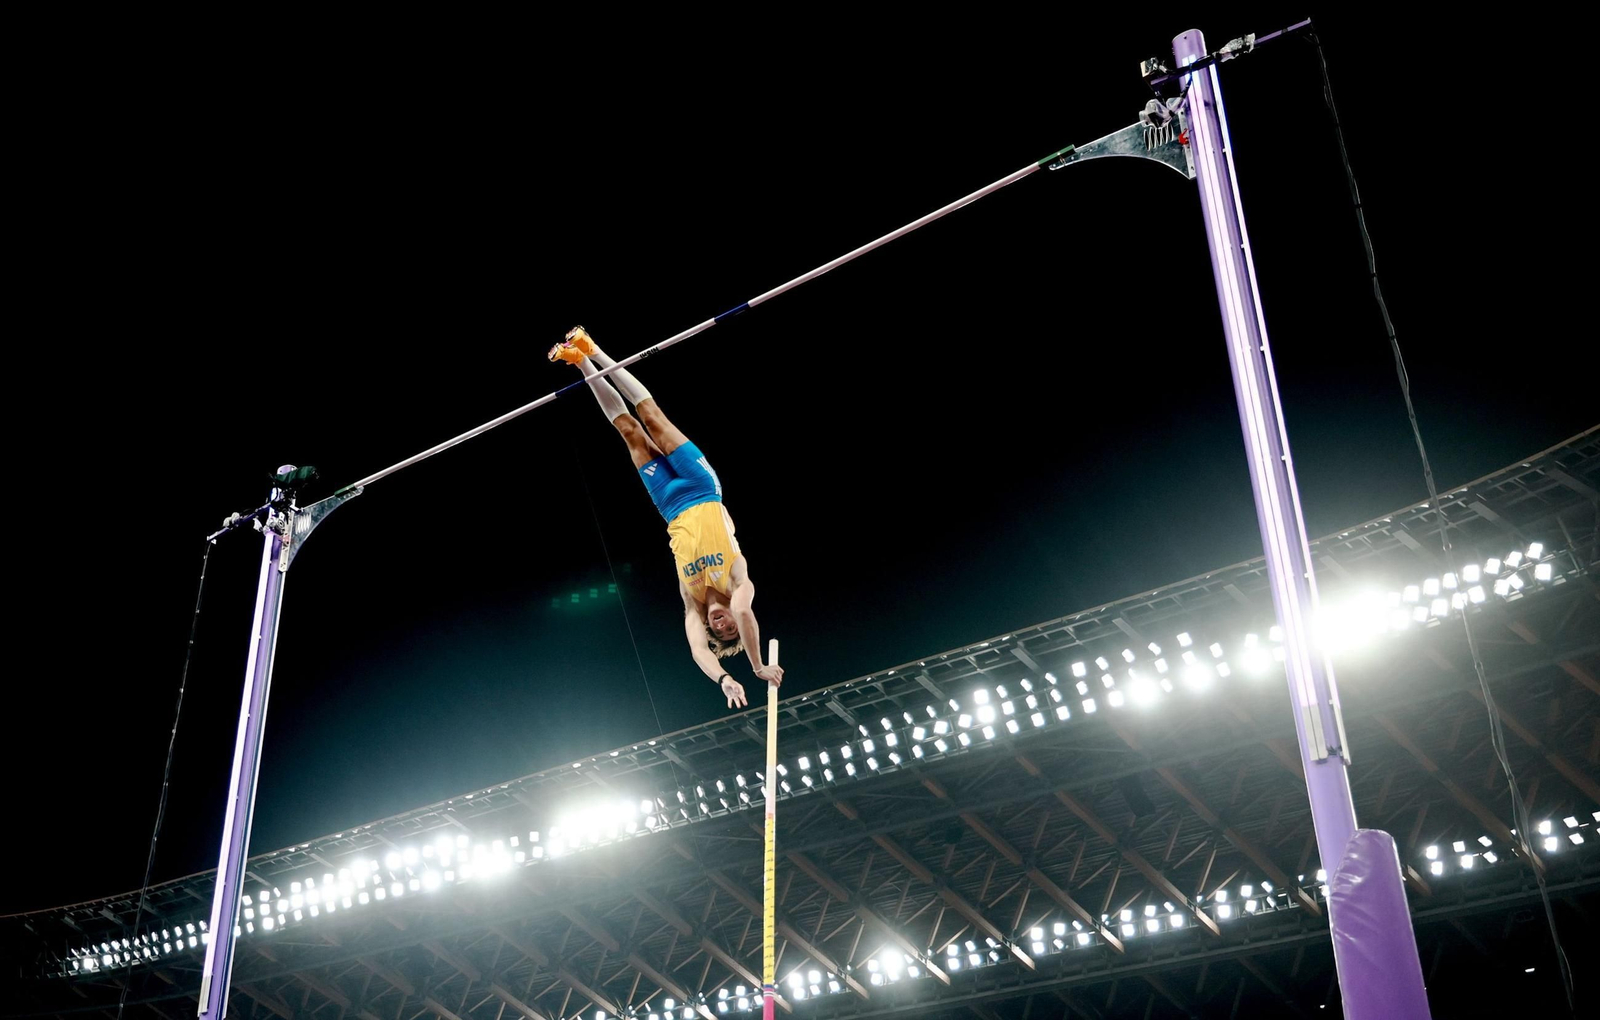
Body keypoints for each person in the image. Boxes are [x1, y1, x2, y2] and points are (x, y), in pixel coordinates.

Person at [550, 326, 784, 708]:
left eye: (720, 631)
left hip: (669, 504)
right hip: (702, 488)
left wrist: (725, 680)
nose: (724, 624)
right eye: (731, 628)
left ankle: (580, 361)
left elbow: (698, 650)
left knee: (629, 431)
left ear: (710, 627)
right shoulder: (738, 580)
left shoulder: (691, 602)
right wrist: (757, 666)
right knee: (652, 418)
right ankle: (594, 348)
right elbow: (744, 611)